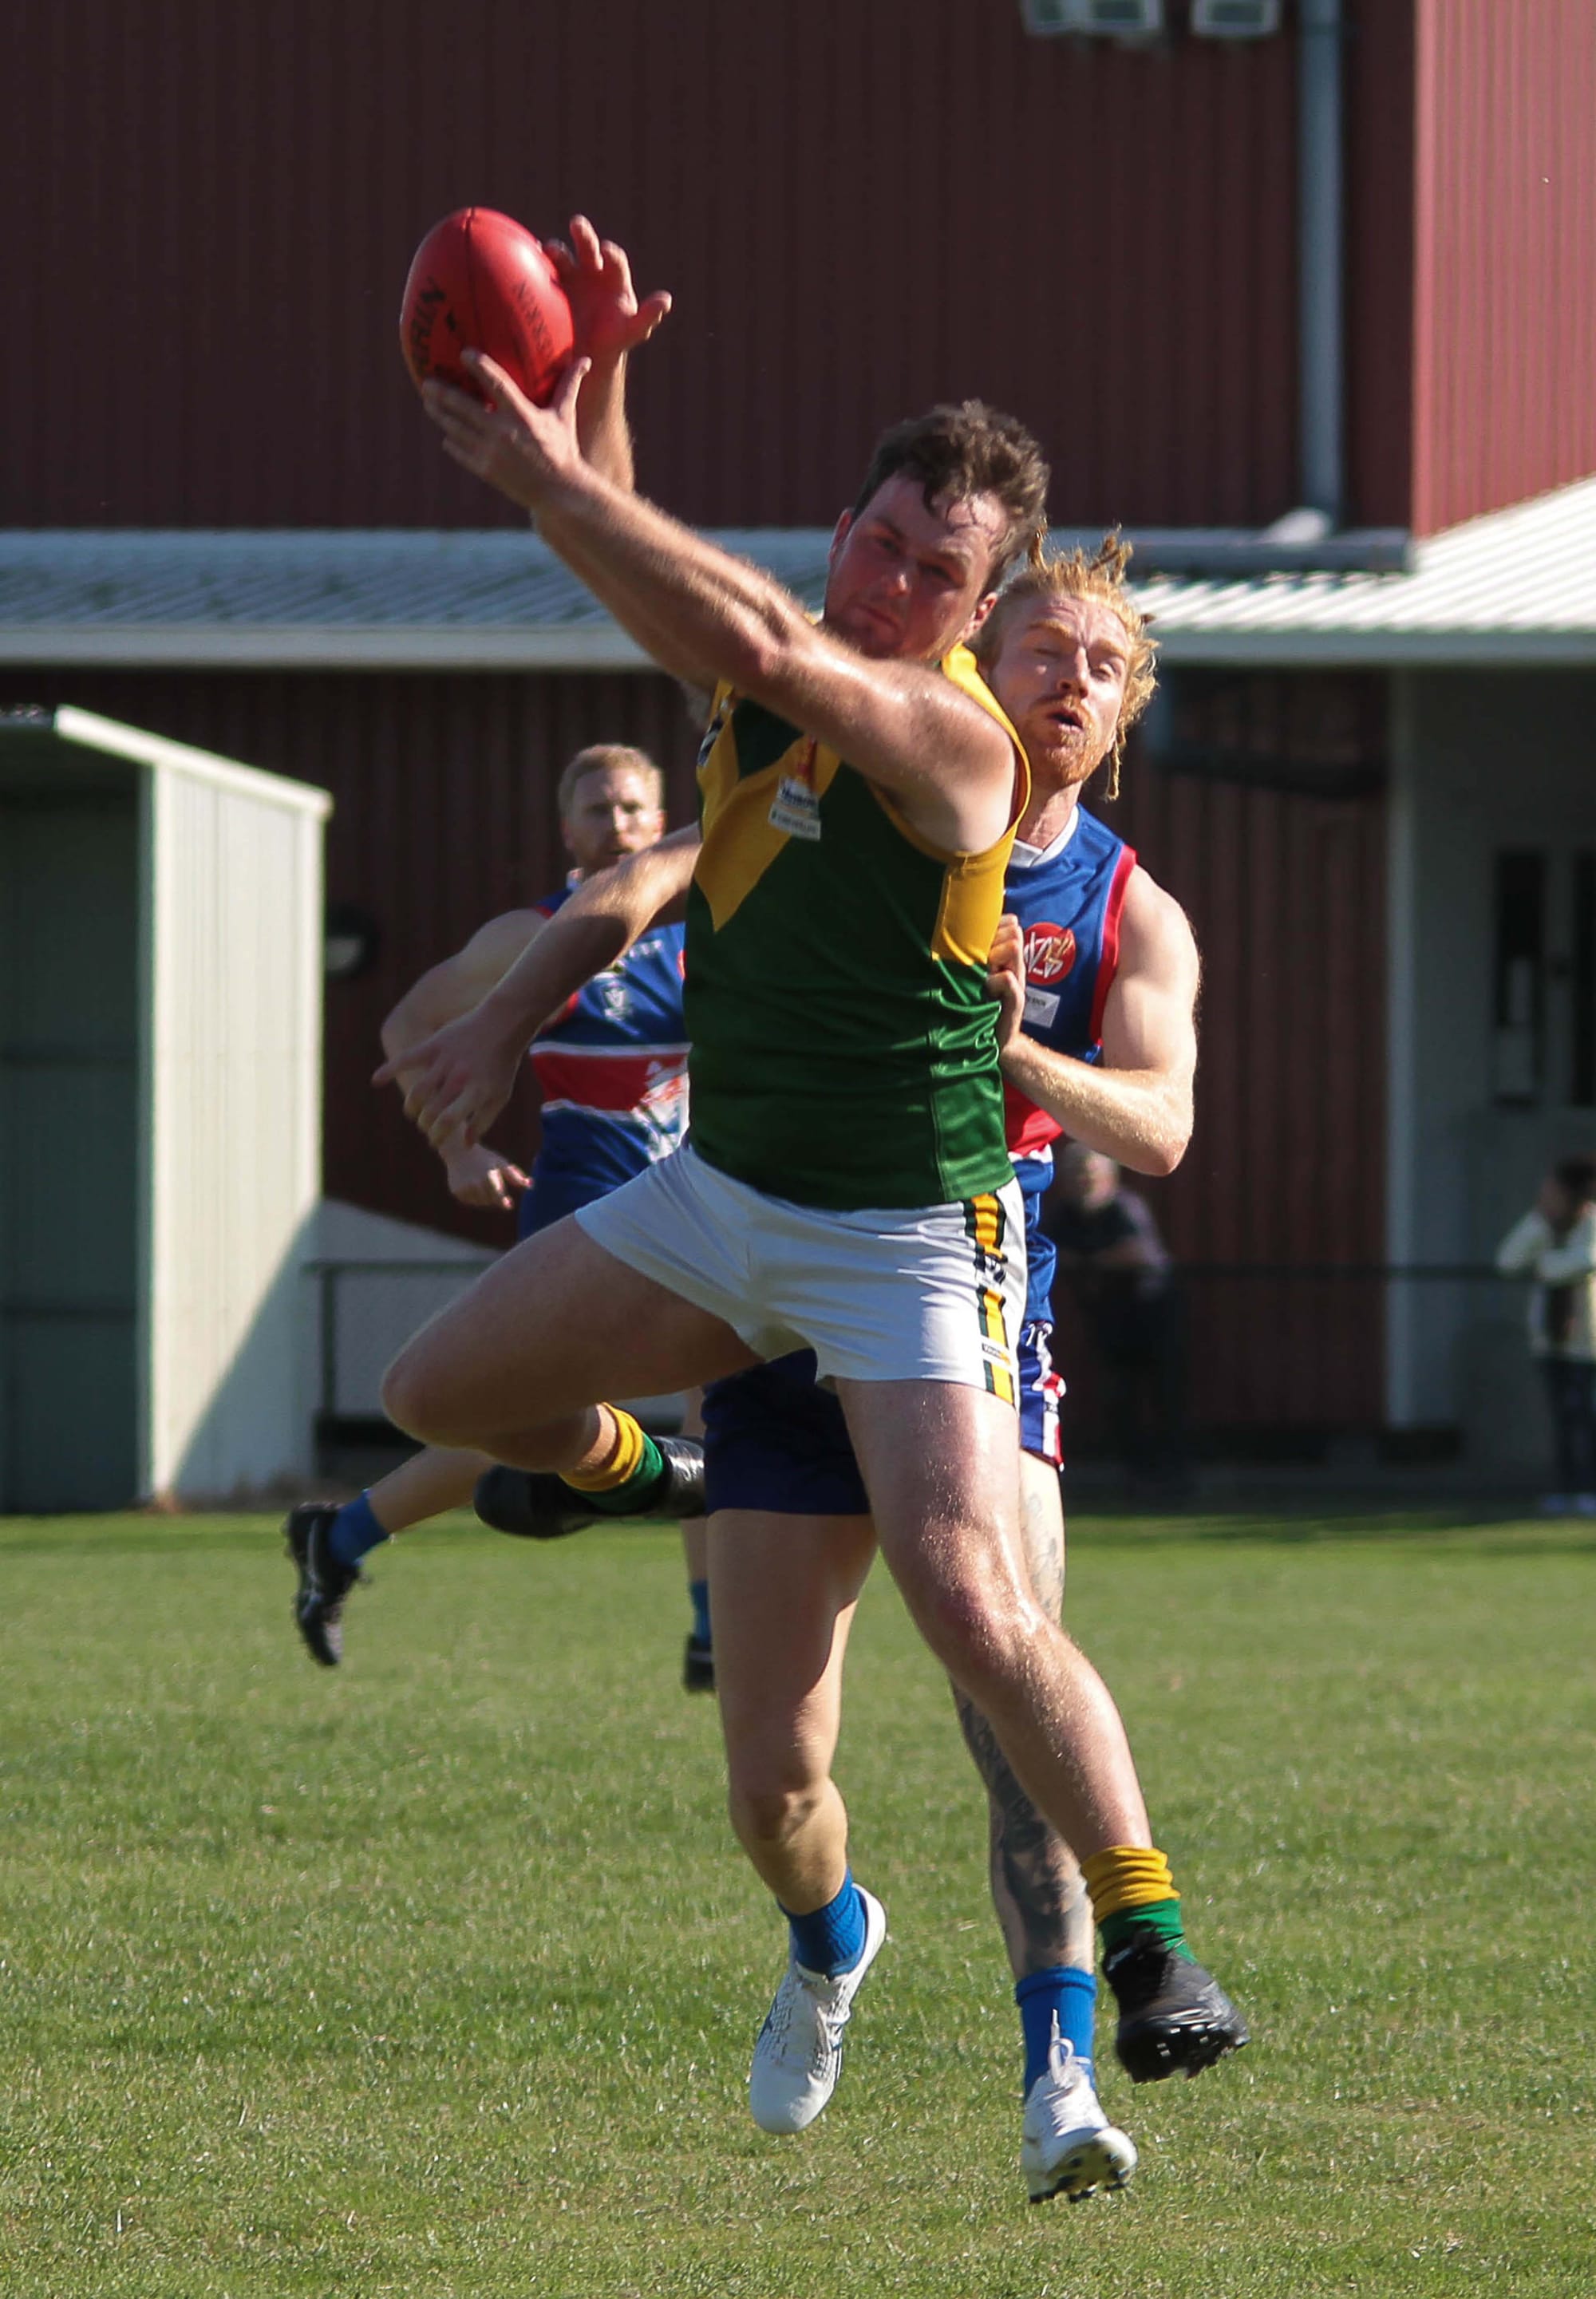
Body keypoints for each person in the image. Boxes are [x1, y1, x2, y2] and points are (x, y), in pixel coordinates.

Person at [381, 271, 1243, 2137]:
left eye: (935, 575)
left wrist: (545, 476)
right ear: (845, 524)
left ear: (971, 612)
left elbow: (765, 642)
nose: (890, 584)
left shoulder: (949, 745)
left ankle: (1148, 1934)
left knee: (967, 1597)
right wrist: (590, 397)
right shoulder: (767, 689)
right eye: (877, 541)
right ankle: (652, 1476)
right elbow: (672, 610)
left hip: (895, 1246)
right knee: (435, 1399)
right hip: (720, 1201)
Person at [286, 742, 708, 1676]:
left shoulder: (702, 932)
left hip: (686, 1203)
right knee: (530, 1421)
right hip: (581, 1209)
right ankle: (343, 1535)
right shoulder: (538, 933)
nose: (618, 826)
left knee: (716, 1400)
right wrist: (457, 1149)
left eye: (634, 808)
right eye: (596, 810)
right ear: (566, 830)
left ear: (663, 818)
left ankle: (711, 1633)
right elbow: (407, 1027)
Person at [1049, 1144, 1190, 1495]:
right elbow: (1043, 1250)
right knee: (1120, 1398)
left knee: (1165, 1397)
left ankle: (1176, 1478)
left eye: (1091, 1175)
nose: (1084, 1182)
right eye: (1076, 1176)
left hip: (1152, 1318)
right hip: (1110, 1323)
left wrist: (1088, 1262)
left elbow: (1138, 1254)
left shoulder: (1124, 1209)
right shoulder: (1065, 1215)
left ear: (1110, 1178)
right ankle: (1136, 1476)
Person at [1495, 1157, 1596, 1513]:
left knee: (1586, 1417)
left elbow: (1587, 1260)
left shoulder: (1590, 1222)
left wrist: (1545, 1267)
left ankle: (1589, 1489)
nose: (1545, 1193)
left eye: (1552, 1188)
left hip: (1588, 1343)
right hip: (1551, 1341)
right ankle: (1569, 1490)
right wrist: (1537, 1220)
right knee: (1563, 1419)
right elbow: (1507, 1262)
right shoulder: (1543, 1225)